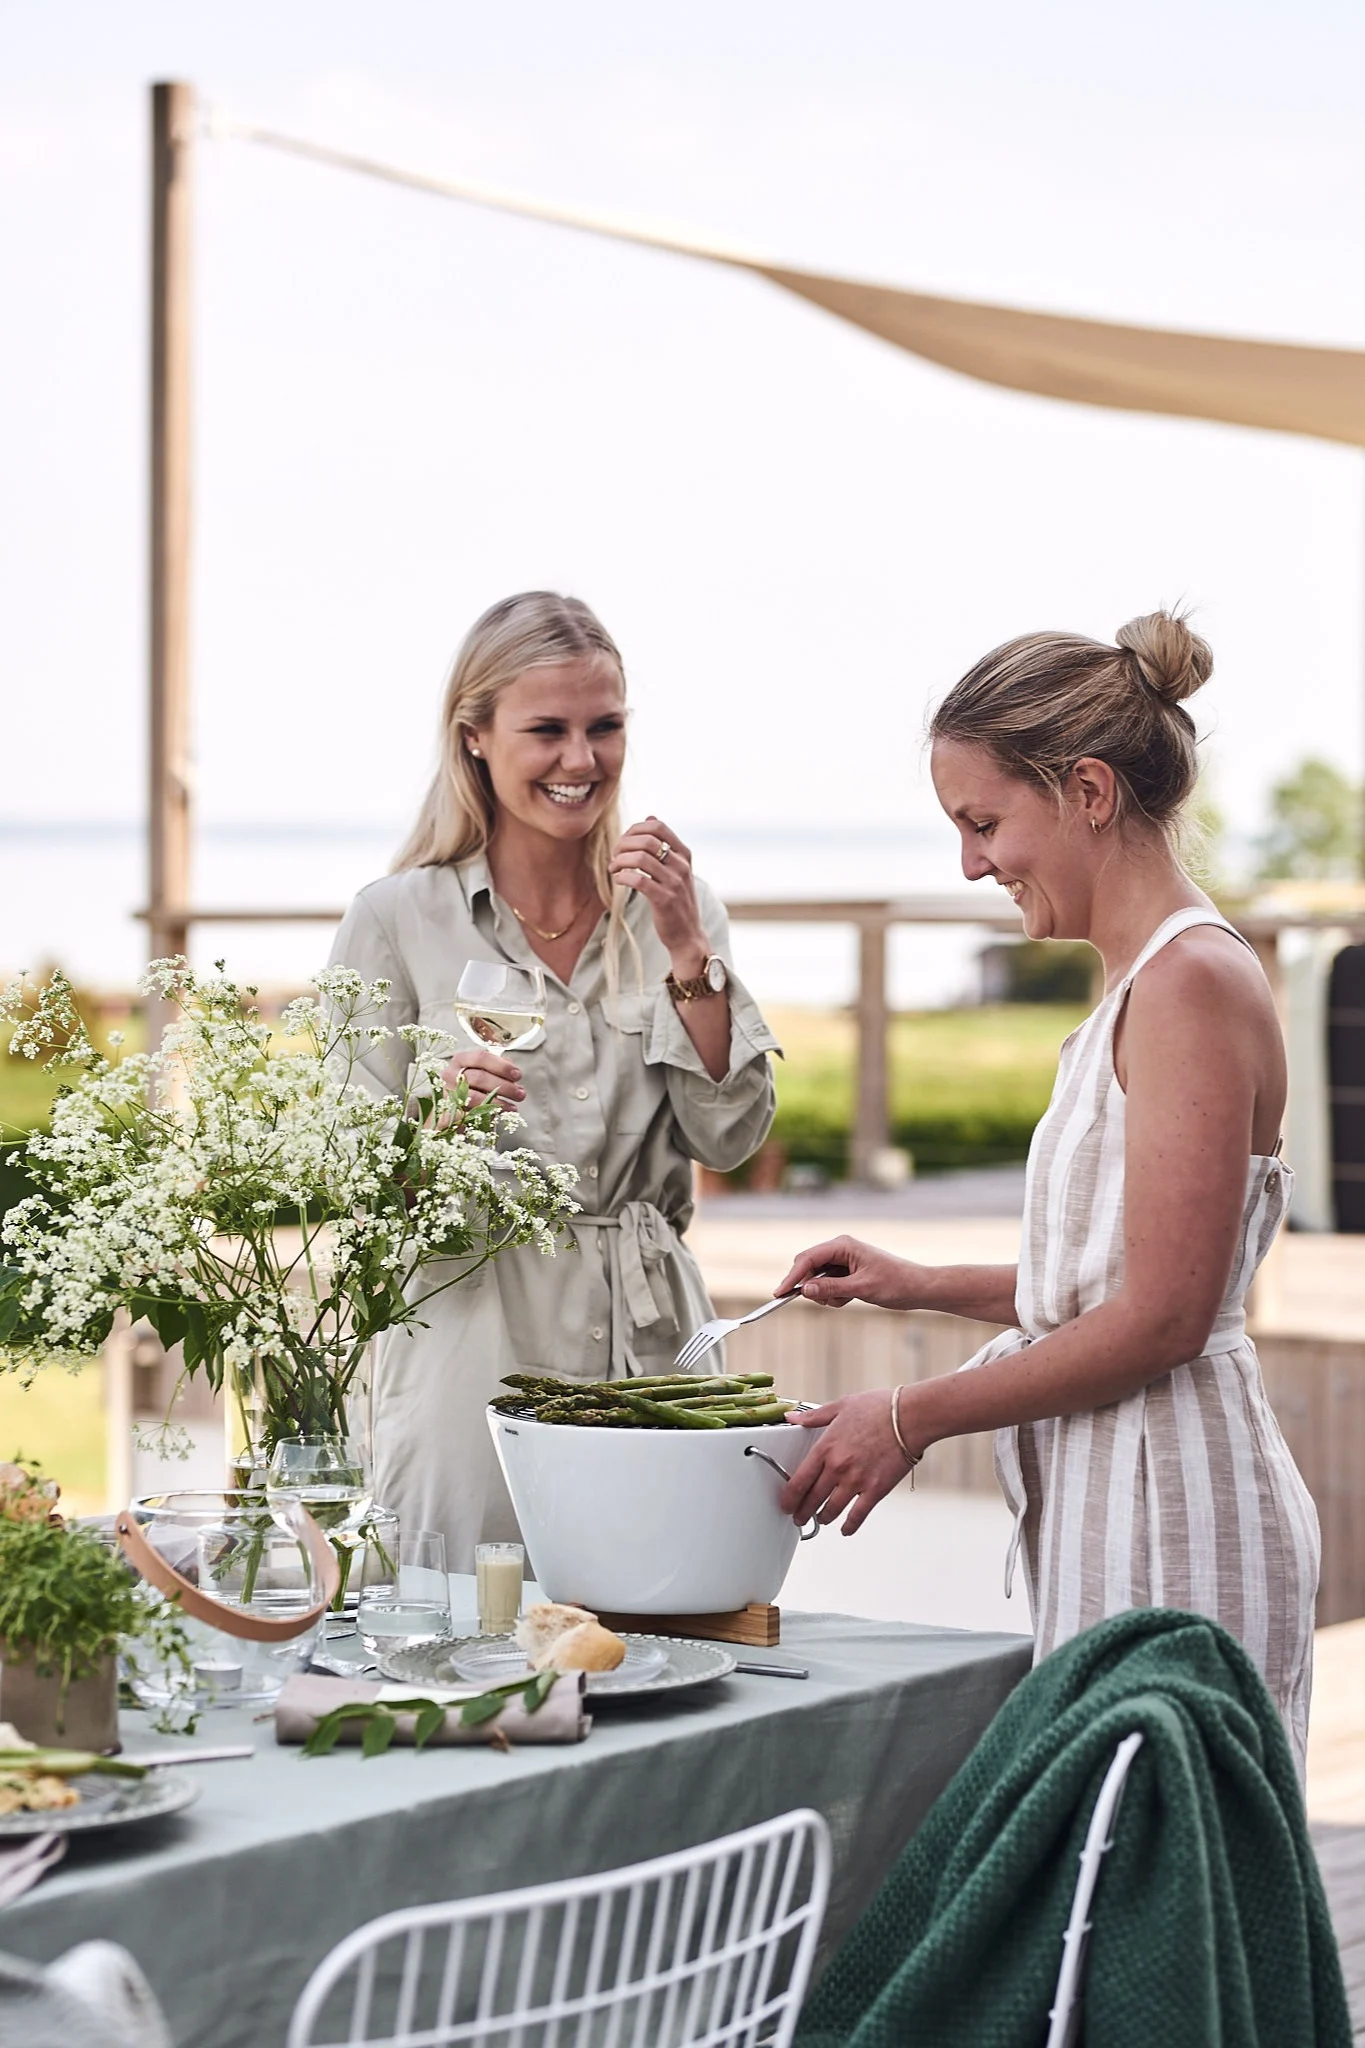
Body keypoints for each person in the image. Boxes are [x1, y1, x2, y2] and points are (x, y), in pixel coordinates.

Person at [775, 610, 1320, 1772]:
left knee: (1161, 1915)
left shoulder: (1188, 984)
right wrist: (916, 1282)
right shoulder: (1147, 981)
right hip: (1122, 1503)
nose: (972, 863)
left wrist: (910, 1417)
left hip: (1177, 1520)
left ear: (1085, 789)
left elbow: (1166, 1317)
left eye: (984, 821)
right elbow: (1122, 1279)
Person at [329, 591, 779, 1569]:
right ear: (476, 739)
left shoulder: (677, 906)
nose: (582, 759)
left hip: (652, 1346)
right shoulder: (396, 918)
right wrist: (430, 1126)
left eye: (604, 726)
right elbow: (347, 1176)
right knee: (463, 1640)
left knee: (670, 1617)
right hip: (470, 1342)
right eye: (548, 730)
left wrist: (691, 957)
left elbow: (731, 1138)